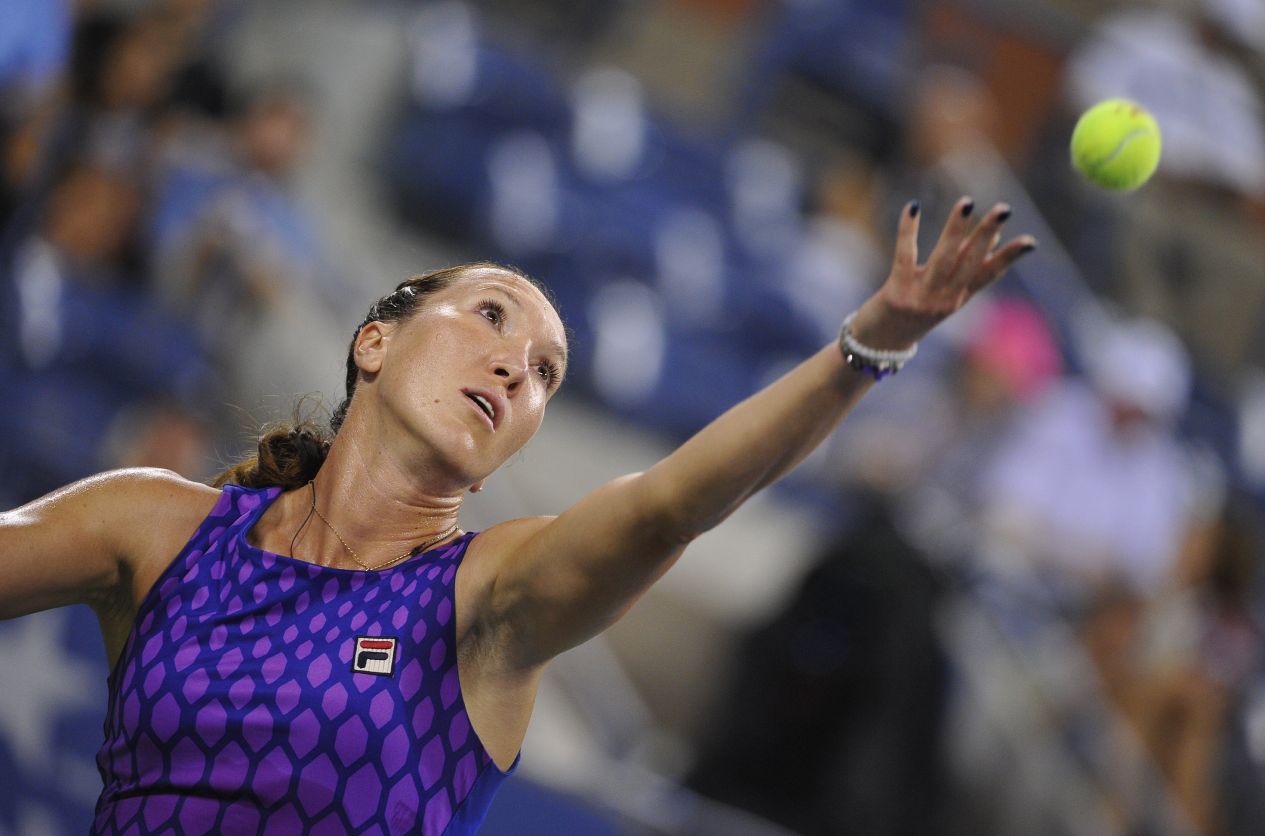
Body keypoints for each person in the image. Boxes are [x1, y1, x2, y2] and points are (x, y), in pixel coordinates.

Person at [0, 198, 1036, 834]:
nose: (514, 364)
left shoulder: (483, 603)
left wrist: (866, 347)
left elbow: (666, 507)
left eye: (545, 372)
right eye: (490, 317)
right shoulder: (158, 527)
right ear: (374, 343)